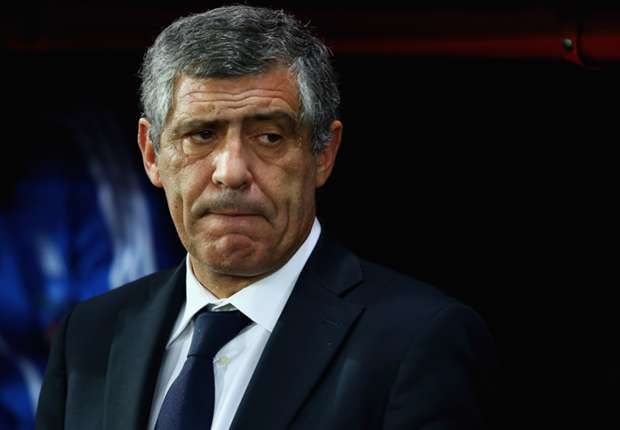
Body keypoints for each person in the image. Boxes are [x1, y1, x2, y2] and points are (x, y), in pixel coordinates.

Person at [35, 5, 496, 430]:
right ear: (152, 153)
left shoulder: (417, 341)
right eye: (201, 134)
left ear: (323, 153)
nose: (231, 171)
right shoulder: (88, 337)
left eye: (270, 137)